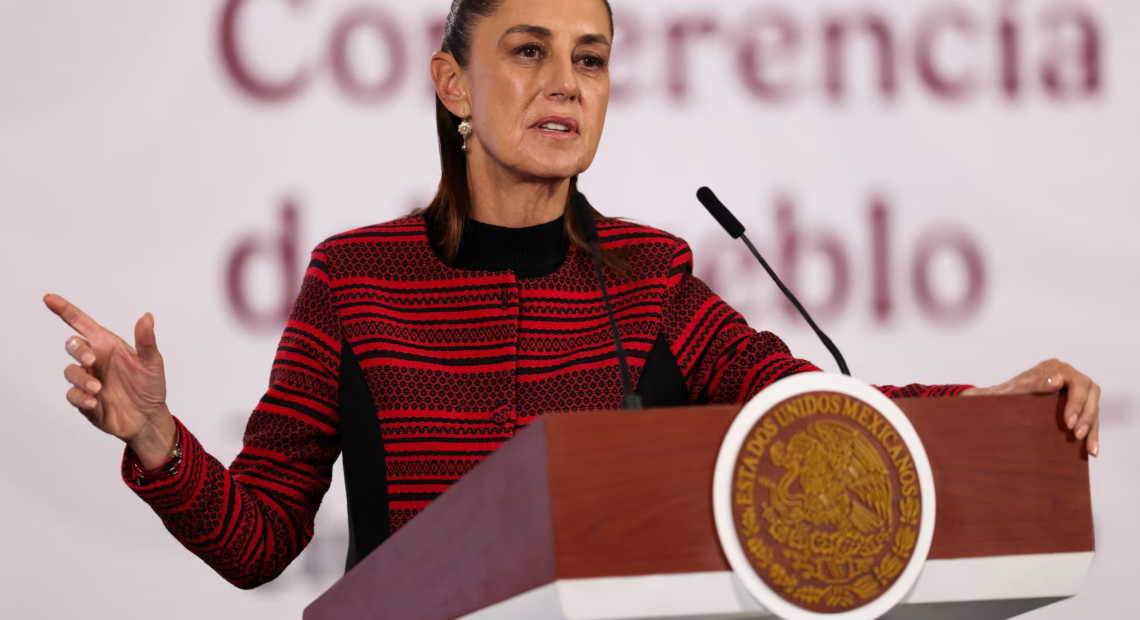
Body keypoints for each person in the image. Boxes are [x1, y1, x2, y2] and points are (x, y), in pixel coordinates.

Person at [43, 0, 1100, 591]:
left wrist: (983, 411)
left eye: (590, 60)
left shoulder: (650, 275)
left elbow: (802, 411)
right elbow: (264, 536)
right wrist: (159, 443)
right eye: (529, 52)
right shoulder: (354, 278)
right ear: (452, 85)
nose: (566, 83)